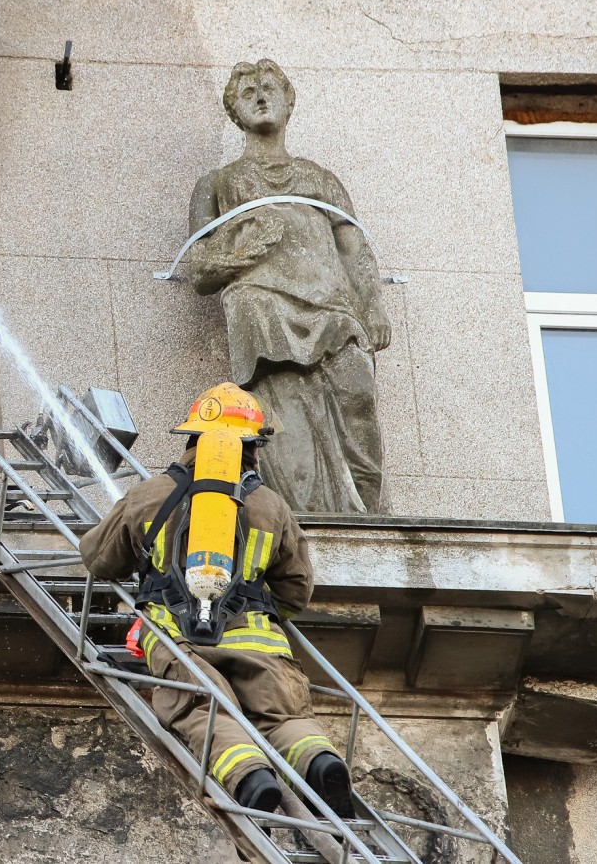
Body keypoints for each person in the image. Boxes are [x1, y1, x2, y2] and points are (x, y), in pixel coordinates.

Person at [78, 382, 356, 817]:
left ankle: (251, 779)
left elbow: (99, 559)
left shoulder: (150, 494)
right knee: (284, 717)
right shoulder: (271, 505)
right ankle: (322, 765)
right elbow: (296, 589)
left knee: (202, 710)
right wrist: (256, 611)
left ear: (192, 439)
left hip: (179, 639)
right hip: (261, 643)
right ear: (252, 450)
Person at [186, 59, 390, 515]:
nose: (260, 96)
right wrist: (243, 253)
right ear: (235, 113)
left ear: (289, 101)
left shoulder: (320, 178)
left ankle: (369, 520)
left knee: (358, 399)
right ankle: (307, 519)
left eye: (269, 88)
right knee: (285, 421)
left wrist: (373, 308)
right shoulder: (218, 184)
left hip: (334, 309)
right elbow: (199, 269)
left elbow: (353, 247)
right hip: (262, 309)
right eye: (248, 92)